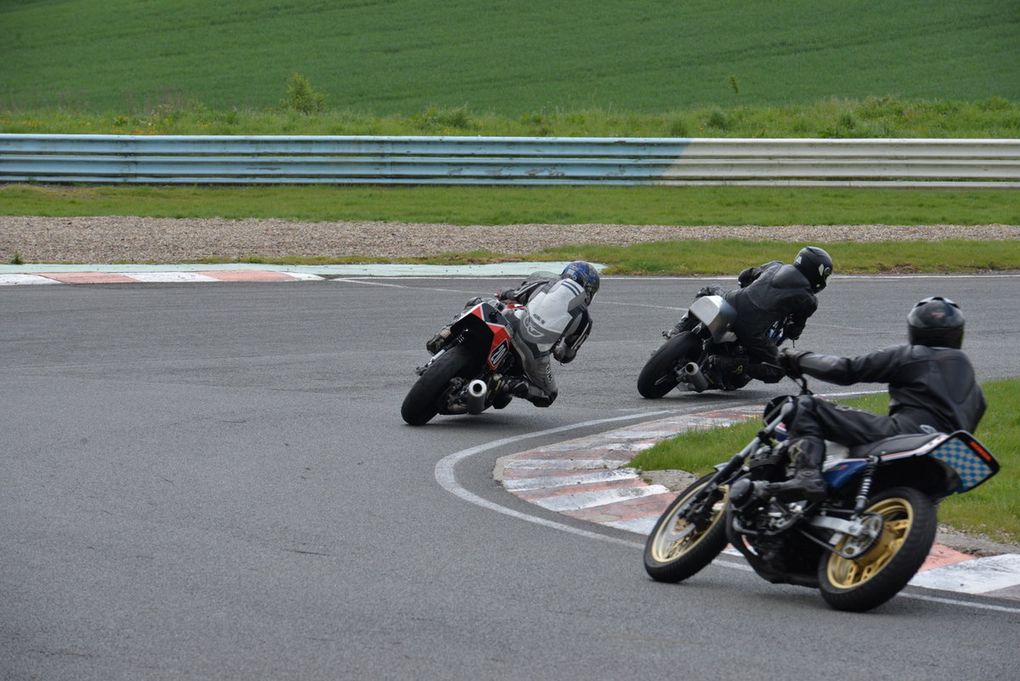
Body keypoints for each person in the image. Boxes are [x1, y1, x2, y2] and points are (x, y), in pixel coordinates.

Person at [770, 296, 987, 501]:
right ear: (958, 332)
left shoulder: (912, 355)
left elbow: (845, 370)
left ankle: (807, 475)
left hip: (903, 432)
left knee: (807, 406)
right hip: (946, 460)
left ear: (916, 330)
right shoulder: (977, 395)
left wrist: (798, 358)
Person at [426, 261, 599, 408]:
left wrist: (503, 294)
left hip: (512, 321)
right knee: (548, 395)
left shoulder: (545, 284)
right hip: (534, 352)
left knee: (479, 302)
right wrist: (557, 348)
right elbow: (566, 356)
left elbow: (513, 295)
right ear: (590, 291)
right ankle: (505, 383)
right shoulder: (584, 321)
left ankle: (444, 334)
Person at [673, 246, 833, 384]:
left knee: (708, 290)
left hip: (730, 301)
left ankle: (678, 330)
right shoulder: (809, 300)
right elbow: (794, 330)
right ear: (818, 275)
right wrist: (792, 332)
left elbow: (744, 275)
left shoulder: (775, 266)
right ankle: (725, 364)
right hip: (751, 330)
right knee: (780, 368)